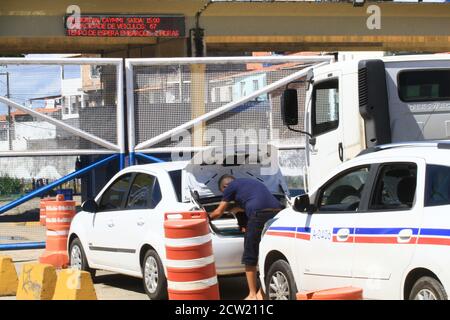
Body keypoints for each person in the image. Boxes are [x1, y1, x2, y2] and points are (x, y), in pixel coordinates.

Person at [209, 174, 282, 300]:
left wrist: (205, 218)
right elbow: (246, 204)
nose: (225, 195)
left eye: (223, 192)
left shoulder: (230, 187)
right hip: (277, 212)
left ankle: (252, 295)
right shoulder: (248, 183)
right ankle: (262, 292)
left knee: (250, 256)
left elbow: (218, 211)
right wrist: (237, 212)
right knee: (267, 251)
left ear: (225, 186)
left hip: (258, 214)